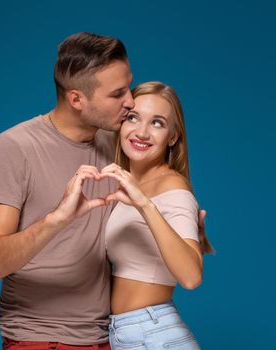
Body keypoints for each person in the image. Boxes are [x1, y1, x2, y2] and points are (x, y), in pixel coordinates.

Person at [0, 32, 134, 349]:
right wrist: (57, 219)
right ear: (77, 99)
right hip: (38, 337)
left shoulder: (119, 145)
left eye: (129, 86)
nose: (130, 101)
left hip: (104, 337)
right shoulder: (14, 146)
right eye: (117, 94)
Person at [101, 81, 213, 350]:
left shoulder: (172, 187)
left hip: (154, 336)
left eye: (157, 123)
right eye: (133, 118)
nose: (141, 132)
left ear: (172, 137)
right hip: (131, 334)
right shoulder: (127, 184)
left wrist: (145, 205)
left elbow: (191, 277)